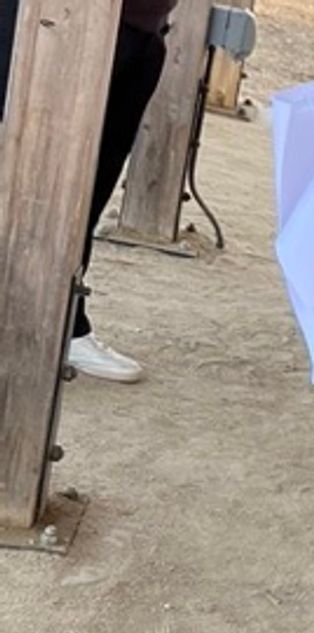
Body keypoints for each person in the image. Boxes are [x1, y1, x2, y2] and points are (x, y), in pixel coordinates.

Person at [65, 0, 179, 384]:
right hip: (72, 23)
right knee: (51, 178)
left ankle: (65, 322)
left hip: (143, 28)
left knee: (91, 189)